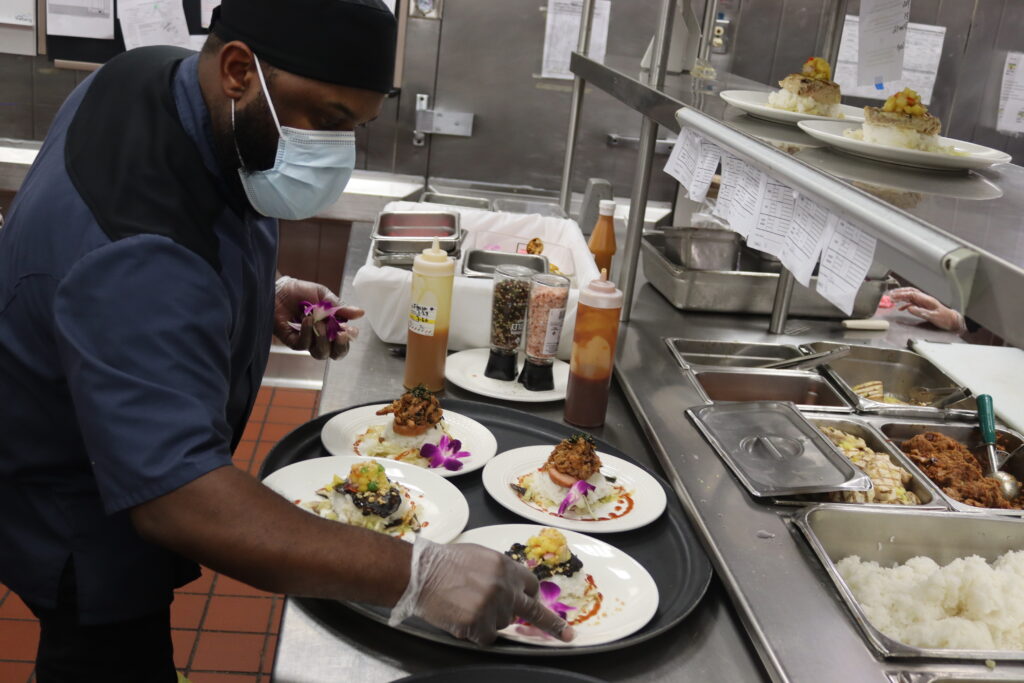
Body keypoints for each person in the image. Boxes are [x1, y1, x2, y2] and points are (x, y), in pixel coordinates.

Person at [0, 1, 571, 680]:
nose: (338, 151)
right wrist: (416, 573)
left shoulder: (156, 78)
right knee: (107, 654)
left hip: (104, 415)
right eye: (327, 119)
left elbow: (188, 242)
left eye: (356, 127)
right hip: (80, 505)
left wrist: (250, 295)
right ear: (239, 68)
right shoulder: (136, 255)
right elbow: (179, 498)